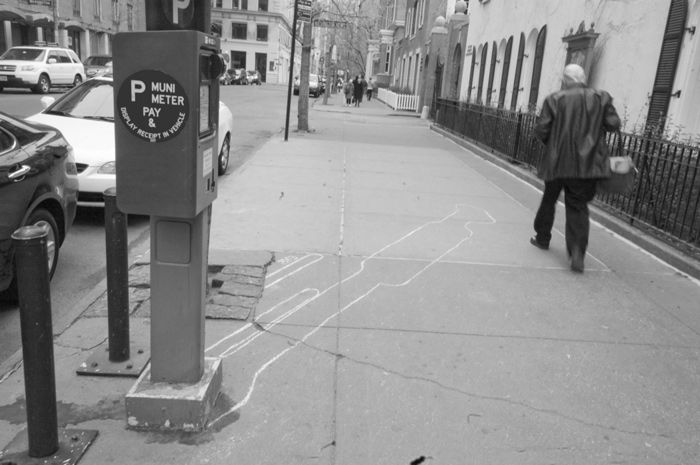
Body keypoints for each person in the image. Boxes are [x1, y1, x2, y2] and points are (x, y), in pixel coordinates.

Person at [530, 64, 620, 273]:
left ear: (565, 80)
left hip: (557, 162)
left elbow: (542, 130)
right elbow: (613, 124)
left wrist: (551, 144)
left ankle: (542, 238)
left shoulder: (554, 99)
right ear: (584, 78)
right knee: (578, 205)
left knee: (549, 199)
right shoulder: (601, 97)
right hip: (587, 165)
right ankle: (577, 251)